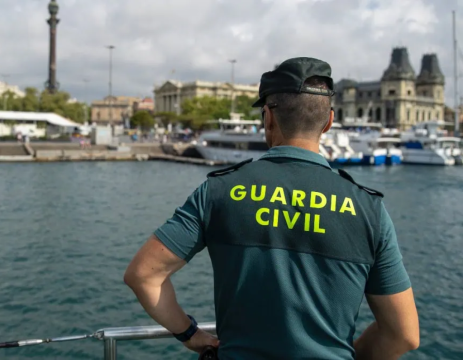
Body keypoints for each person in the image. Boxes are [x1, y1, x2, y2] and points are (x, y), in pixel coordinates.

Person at [123, 57, 419, 359]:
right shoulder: (369, 210)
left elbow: (143, 275)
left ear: (267, 117)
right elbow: (404, 334)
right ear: (329, 121)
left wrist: (192, 336)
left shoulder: (218, 191)